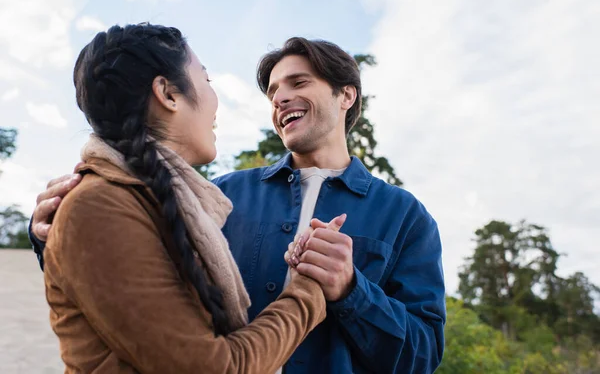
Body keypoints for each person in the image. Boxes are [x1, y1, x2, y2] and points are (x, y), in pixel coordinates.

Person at [31, 36, 446, 373]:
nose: (280, 98)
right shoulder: (213, 197)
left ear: (346, 96)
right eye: (272, 92)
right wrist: (51, 236)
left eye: (298, 83)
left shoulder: (407, 217)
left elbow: (422, 357)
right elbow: (130, 293)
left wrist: (352, 290)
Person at [36, 23, 334, 373]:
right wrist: (310, 290)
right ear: (168, 94)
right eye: (206, 80)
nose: (213, 99)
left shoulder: (180, 201)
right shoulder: (100, 205)